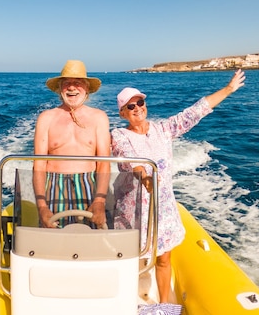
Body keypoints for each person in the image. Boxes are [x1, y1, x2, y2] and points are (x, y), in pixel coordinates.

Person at [111, 69, 246, 303]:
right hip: (134, 213)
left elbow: (195, 112)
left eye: (140, 103)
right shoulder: (119, 135)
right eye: (130, 107)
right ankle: (124, 303)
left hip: (163, 210)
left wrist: (228, 89)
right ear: (123, 113)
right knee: (130, 260)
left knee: (164, 260)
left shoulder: (163, 129)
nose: (137, 109)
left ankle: (163, 306)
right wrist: (145, 177)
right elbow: (130, 159)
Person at [33, 60, 111, 228]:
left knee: (89, 239)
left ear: (87, 88)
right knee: (54, 240)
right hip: (53, 186)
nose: (72, 87)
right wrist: (42, 206)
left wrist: (99, 200)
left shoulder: (99, 117)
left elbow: (104, 163)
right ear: (60, 88)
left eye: (78, 83)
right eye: (67, 83)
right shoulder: (46, 118)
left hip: (89, 185)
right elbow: (39, 164)